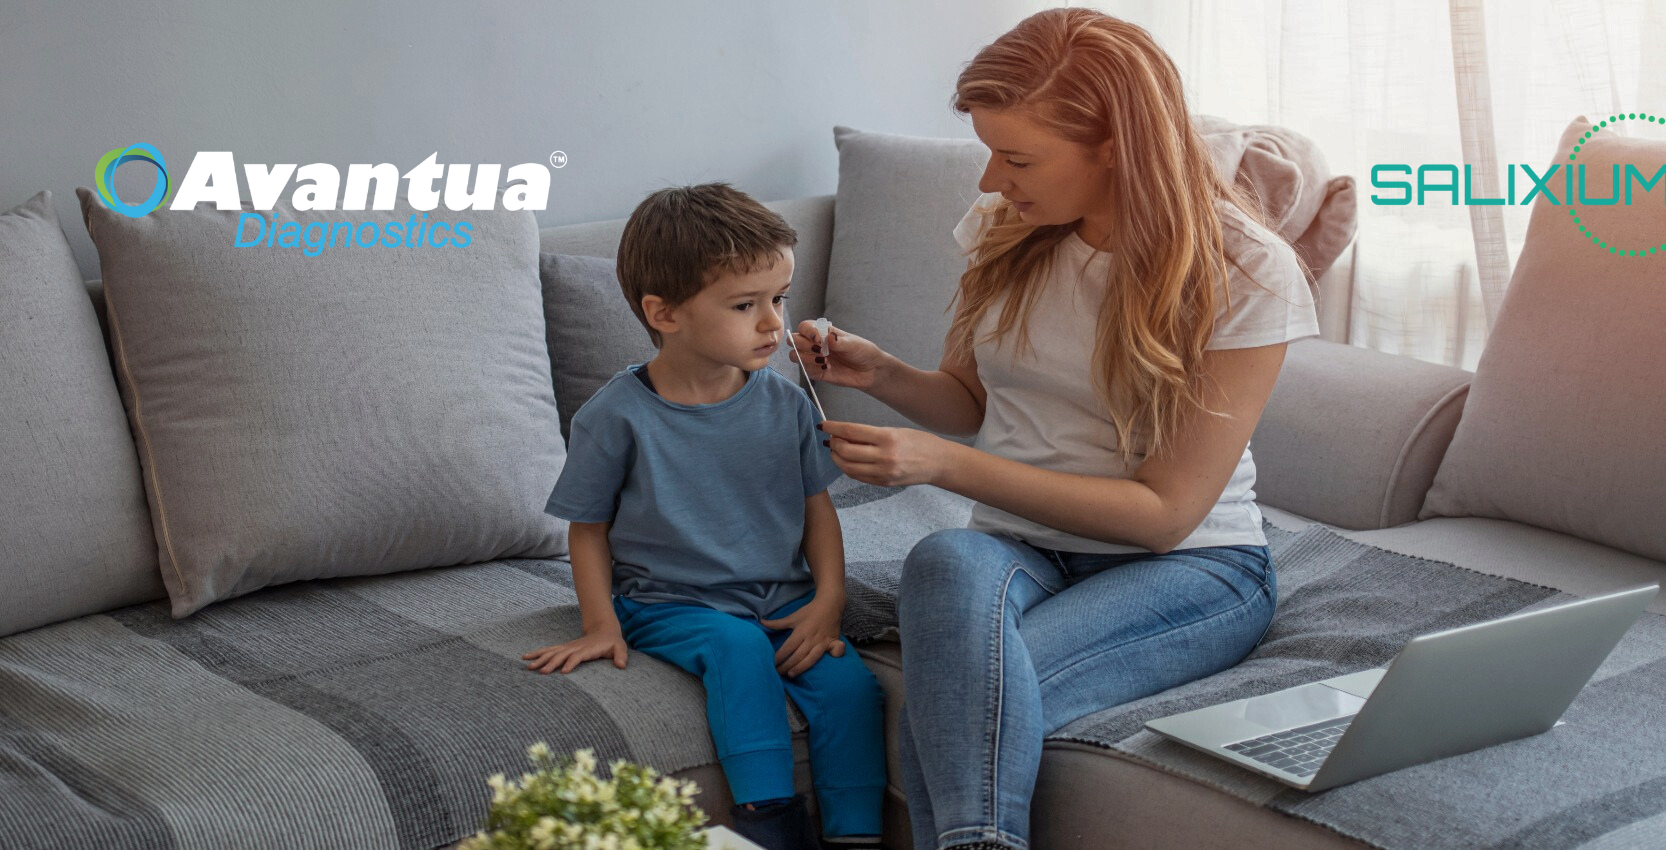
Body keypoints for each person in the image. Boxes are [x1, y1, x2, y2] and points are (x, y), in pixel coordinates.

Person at [790, 9, 1320, 850]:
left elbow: (1164, 513)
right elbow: (968, 401)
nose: (991, 181)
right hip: (1019, 547)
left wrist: (942, 468)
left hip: (1188, 567)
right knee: (945, 559)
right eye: (991, 151)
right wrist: (882, 375)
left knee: (965, 693)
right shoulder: (1007, 231)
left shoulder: (1245, 269)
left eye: (1018, 156)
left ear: (1114, 143)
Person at [524, 183, 885, 850]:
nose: (775, 323)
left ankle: (857, 835)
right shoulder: (614, 416)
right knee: (736, 647)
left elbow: (817, 508)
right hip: (668, 602)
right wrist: (601, 623)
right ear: (664, 313)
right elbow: (588, 528)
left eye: (779, 298)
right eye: (746, 305)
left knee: (850, 688)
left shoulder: (785, 404)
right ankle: (769, 821)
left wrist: (828, 599)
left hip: (780, 597)